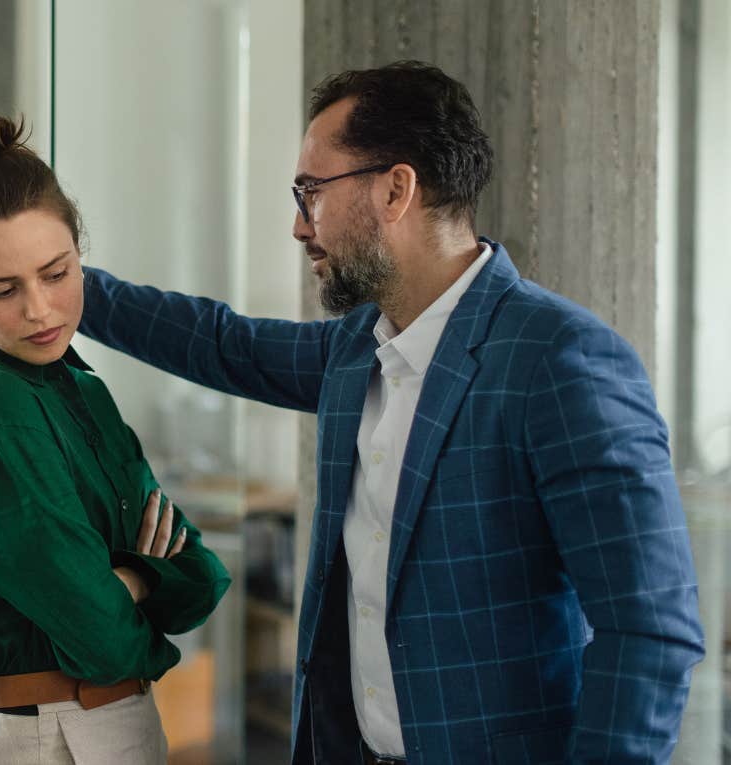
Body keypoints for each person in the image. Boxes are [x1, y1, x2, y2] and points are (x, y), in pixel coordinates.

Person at [76, 61, 704, 764]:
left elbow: (650, 631)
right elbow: (225, 344)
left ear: (395, 189)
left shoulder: (559, 361)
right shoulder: (357, 350)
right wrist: (61, 284)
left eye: (310, 191)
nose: (297, 224)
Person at [0, 106, 232, 765]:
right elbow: (101, 634)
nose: (38, 309)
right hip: (51, 731)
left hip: (116, 718)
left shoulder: (80, 388)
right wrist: (146, 582)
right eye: (2, 289)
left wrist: (132, 578)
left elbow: (201, 572)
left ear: (81, 255)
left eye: (56, 274)